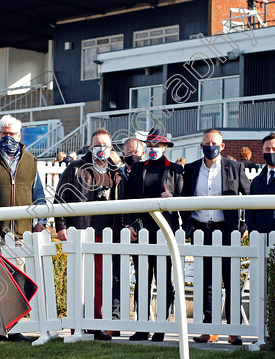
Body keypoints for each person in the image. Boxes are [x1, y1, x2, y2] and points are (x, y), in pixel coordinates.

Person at [54, 128, 125, 340]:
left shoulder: (116, 173)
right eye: (96, 145)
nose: (100, 149)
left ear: (111, 148)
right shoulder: (76, 169)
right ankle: (81, 324)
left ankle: (94, 323)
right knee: (79, 280)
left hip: (107, 235)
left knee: (101, 282)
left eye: (104, 145)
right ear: (90, 147)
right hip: (81, 233)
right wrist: (61, 226)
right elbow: (60, 198)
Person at [182, 129, 250, 345]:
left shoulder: (235, 167)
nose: (210, 146)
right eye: (206, 143)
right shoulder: (191, 169)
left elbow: (250, 197)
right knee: (206, 282)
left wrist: (245, 226)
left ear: (222, 146)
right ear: (201, 146)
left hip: (227, 231)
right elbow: (184, 198)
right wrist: (189, 226)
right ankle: (209, 330)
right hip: (201, 231)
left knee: (231, 281)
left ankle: (234, 330)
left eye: (214, 143)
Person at [124, 129, 184, 342]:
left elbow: (184, 202)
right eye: (149, 145)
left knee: (164, 280)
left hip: (164, 232)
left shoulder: (176, 170)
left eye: (157, 145)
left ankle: (162, 326)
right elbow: (128, 199)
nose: (153, 149)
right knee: (142, 279)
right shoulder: (138, 168)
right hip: (141, 231)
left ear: (165, 147)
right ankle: (142, 326)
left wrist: (173, 197)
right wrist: (129, 223)